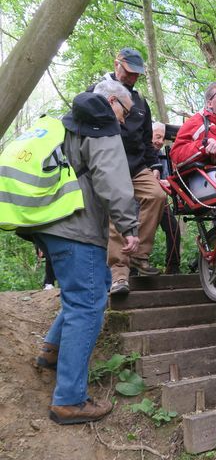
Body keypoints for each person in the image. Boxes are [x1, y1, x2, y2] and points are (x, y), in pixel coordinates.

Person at [29, 90, 139, 424]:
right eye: (125, 111)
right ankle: (69, 400)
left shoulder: (64, 125)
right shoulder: (98, 124)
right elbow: (111, 177)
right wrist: (129, 225)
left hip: (51, 222)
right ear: (111, 102)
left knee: (85, 292)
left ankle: (51, 350)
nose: (125, 120)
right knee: (89, 304)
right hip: (77, 227)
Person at [89, 48, 166, 295]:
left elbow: (145, 138)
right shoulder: (96, 92)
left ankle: (139, 256)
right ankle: (120, 274)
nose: (133, 78)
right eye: (130, 72)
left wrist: (154, 166)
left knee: (157, 196)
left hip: (136, 164)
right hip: (110, 165)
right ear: (117, 65)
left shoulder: (141, 102)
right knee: (118, 213)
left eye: (137, 75)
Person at [152, 122, 181, 274]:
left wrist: (166, 182)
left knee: (173, 228)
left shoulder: (163, 154)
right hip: (140, 201)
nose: (160, 141)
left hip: (161, 199)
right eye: (157, 137)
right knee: (139, 231)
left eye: (162, 138)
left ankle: (173, 266)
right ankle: (132, 270)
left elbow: (166, 178)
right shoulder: (139, 151)